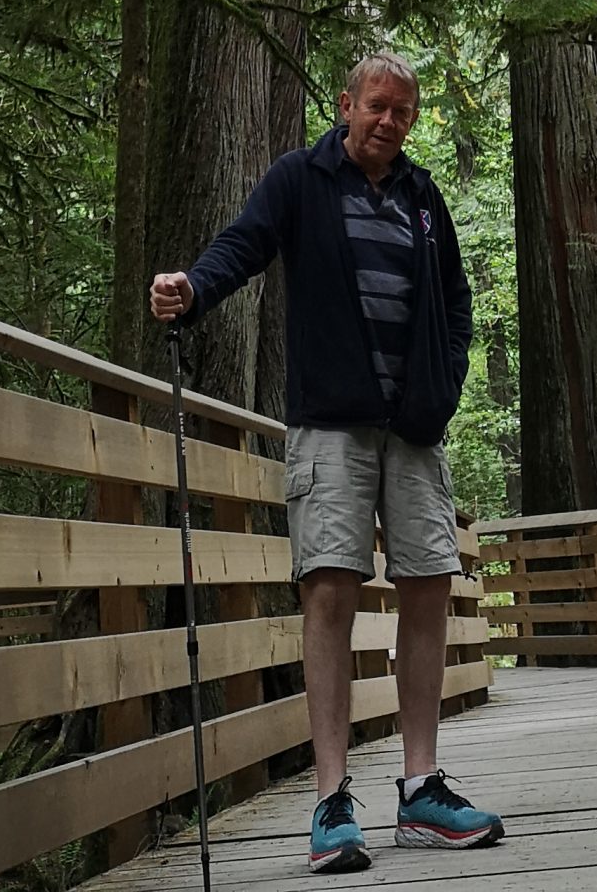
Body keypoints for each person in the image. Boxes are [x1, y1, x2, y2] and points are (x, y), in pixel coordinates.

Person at [150, 50, 504, 875]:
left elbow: (455, 301)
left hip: (413, 430)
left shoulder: (422, 199)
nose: (389, 121)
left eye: (403, 111)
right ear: (347, 105)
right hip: (331, 426)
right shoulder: (300, 181)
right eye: (377, 105)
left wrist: (444, 385)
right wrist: (193, 290)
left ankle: (420, 789)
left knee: (428, 585)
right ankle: (332, 800)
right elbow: (243, 245)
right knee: (330, 590)